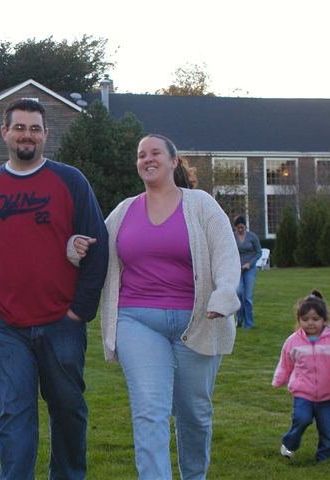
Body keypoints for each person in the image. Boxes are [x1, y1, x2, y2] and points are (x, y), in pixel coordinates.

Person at [70, 134, 240, 480]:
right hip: (137, 321)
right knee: (149, 412)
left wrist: (224, 293)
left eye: (155, 153)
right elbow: (96, 249)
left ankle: (194, 475)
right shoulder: (124, 211)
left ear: (173, 161)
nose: (147, 159)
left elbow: (225, 252)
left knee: (194, 414)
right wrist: (76, 246)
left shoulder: (201, 205)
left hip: (198, 321)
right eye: (141, 154)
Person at [0, 99, 109, 480]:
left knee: (68, 410)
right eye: (20, 127)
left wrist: (79, 312)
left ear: (46, 134)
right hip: (5, 326)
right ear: (5, 132)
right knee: (15, 413)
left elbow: (98, 246)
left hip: (62, 322)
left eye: (35, 128)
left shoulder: (70, 181)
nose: (27, 135)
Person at [272, 290, 330, 462]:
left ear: (325, 320)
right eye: (305, 319)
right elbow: (285, 362)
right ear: (299, 320)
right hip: (303, 393)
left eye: (315, 319)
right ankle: (290, 443)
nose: (310, 323)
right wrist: (279, 379)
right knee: (301, 419)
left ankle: (324, 458)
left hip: (328, 395)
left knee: (328, 429)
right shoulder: (293, 341)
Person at [233, 215, 262, 329]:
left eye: (242, 227)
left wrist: (249, 264)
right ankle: (239, 318)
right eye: (238, 228)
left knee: (248, 297)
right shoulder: (232, 237)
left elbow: (259, 252)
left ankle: (249, 323)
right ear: (235, 227)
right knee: (239, 293)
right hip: (237, 269)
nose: (240, 230)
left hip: (250, 269)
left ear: (245, 226)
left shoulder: (252, 237)